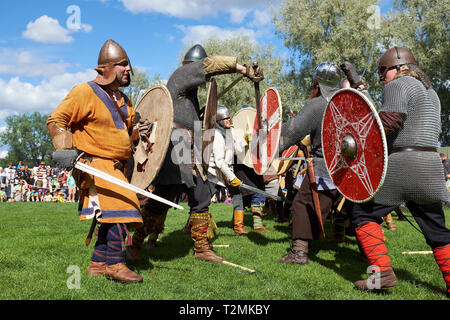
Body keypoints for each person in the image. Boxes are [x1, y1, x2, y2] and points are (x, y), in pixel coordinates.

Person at [126, 44, 264, 264]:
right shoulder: (182, 75)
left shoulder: (186, 93)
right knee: (160, 201)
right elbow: (210, 65)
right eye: (202, 75)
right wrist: (242, 69)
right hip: (176, 150)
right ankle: (135, 244)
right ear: (193, 67)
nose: (204, 82)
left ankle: (201, 247)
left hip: (188, 150)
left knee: (200, 197)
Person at [348, 47, 450, 297]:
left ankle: (380, 274)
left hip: (403, 163)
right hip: (430, 164)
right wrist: (362, 91)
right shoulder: (431, 92)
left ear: (398, 67)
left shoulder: (399, 84)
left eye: (383, 71)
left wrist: (356, 134)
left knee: (362, 213)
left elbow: (390, 121)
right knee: (436, 229)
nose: (382, 77)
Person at [47, 39, 145, 283]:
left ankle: (99, 264)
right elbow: (56, 120)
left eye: (128, 66)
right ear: (108, 68)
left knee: (112, 215)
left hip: (117, 167)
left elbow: (128, 134)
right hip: (93, 163)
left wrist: (141, 130)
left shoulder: (125, 100)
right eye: (122, 65)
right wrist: (64, 148)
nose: (128, 70)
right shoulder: (84, 92)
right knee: (124, 210)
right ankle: (115, 264)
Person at [277, 62, 345, 265]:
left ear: (317, 83)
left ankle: (299, 252)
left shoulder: (318, 104)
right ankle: (368, 254)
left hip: (326, 166)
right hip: (352, 170)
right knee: (351, 210)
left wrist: (269, 142)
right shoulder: (349, 102)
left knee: (303, 203)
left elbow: (293, 130)